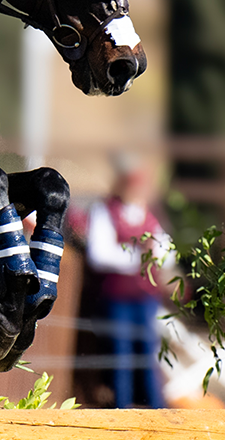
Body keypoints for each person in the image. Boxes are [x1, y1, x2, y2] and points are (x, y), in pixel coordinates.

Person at [71, 153, 176, 407]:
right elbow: (100, 254)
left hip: (145, 299)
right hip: (116, 299)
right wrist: (141, 259)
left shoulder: (149, 214)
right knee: (120, 358)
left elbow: (167, 251)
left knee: (147, 358)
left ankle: (156, 413)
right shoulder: (105, 211)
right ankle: (123, 412)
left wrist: (152, 256)